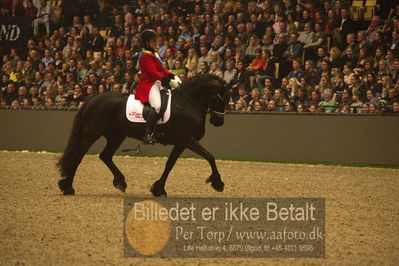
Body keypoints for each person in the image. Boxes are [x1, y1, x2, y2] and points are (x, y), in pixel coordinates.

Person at [135, 29, 175, 144]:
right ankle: (147, 134)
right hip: (149, 84)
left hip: (158, 83)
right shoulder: (144, 56)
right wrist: (165, 79)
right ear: (147, 43)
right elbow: (153, 73)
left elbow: (161, 69)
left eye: (155, 41)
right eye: (153, 41)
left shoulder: (155, 53)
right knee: (157, 106)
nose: (155, 43)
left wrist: (170, 75)